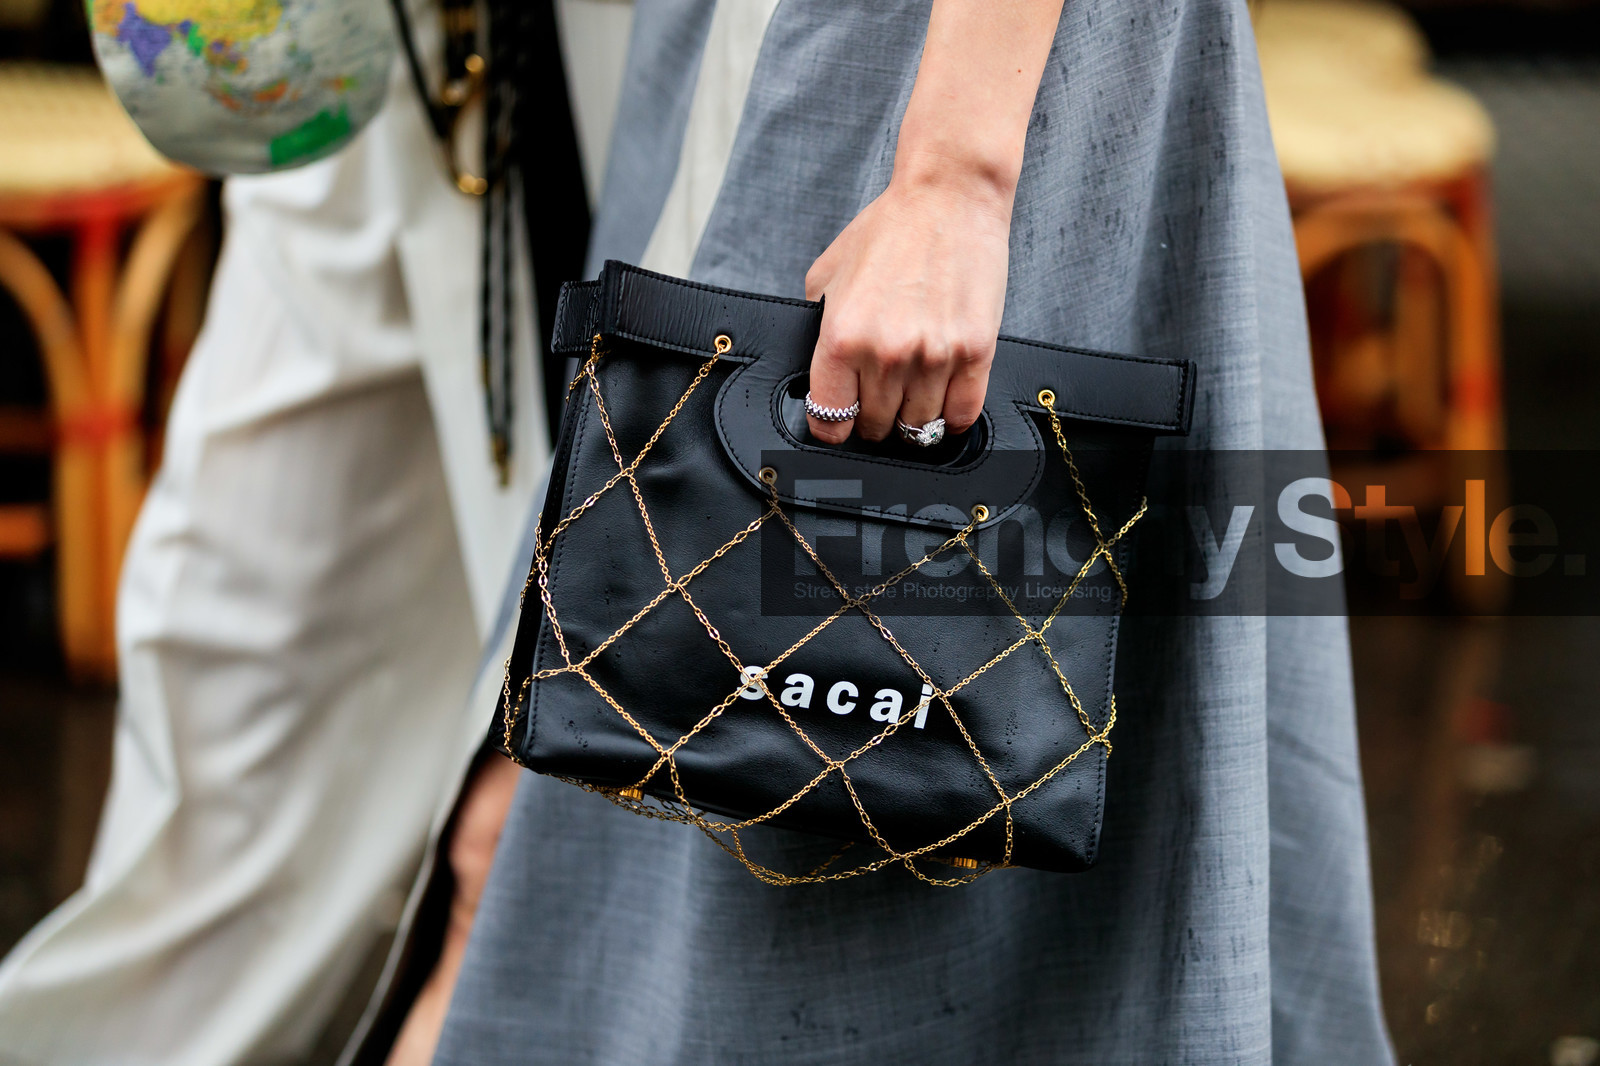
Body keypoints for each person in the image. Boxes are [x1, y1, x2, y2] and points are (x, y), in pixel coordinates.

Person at [398, 0, 1398, 1062]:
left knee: (810, 840)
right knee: (583, 807)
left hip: (957, 79)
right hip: (757, 68)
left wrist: (953, 179)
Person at [0, 2, 631, 1062]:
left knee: (611, 655)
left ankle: (478, 966)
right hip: (360, 64)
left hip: (620, 69)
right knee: (231, 625)